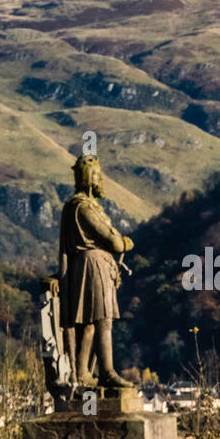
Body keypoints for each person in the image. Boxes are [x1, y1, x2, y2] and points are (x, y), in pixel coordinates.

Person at [58, 155, 133, 390]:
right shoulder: (83, 207)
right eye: (98, 175)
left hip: (92, 267)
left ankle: (82, 372)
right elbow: (115, 243)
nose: (101, 180)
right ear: (90, 179)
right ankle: (107, 372)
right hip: (93, 267)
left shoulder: (79, 206)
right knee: (103, 320)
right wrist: (124, 242)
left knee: (89, 323)